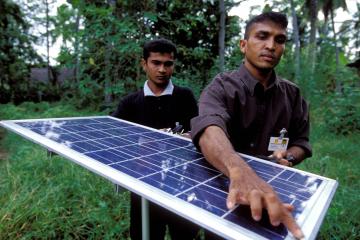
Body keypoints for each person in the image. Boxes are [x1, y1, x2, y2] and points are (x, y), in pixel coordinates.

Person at [191, 12, 311, 239]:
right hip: (225, 194)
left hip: (275, 195)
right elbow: (209, 129)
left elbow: (302, 142)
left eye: (279, 40)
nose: (271, 45)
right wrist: (238, 171)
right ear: (243, 45)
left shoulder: (293, 95)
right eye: (262, 36)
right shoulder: (221, 87)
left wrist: (289, 158)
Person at [112, 38, 199, 240]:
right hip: (144, 186)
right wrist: (144, 142)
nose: (162, 69)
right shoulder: (130, 103)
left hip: (181, 184)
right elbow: (116, 140)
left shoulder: (184, 96)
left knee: (185, 235)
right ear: (144, 64)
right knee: (145, 235)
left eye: (168, 64)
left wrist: (183, 136)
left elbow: (199, 131)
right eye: (156, 63)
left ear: (173, 65)